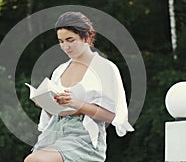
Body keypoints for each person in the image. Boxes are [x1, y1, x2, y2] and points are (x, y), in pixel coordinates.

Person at [24, 11, 134, 162]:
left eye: (70, 40)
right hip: (54, 132)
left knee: (36, 160)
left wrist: (77, 104)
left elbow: (111, 116)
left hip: (84, 136)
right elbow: (54, 115)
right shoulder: (59, 70)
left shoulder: (105, 68)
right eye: (61, 41)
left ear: (86, 38)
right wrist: (45, 103)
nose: (65, 47)